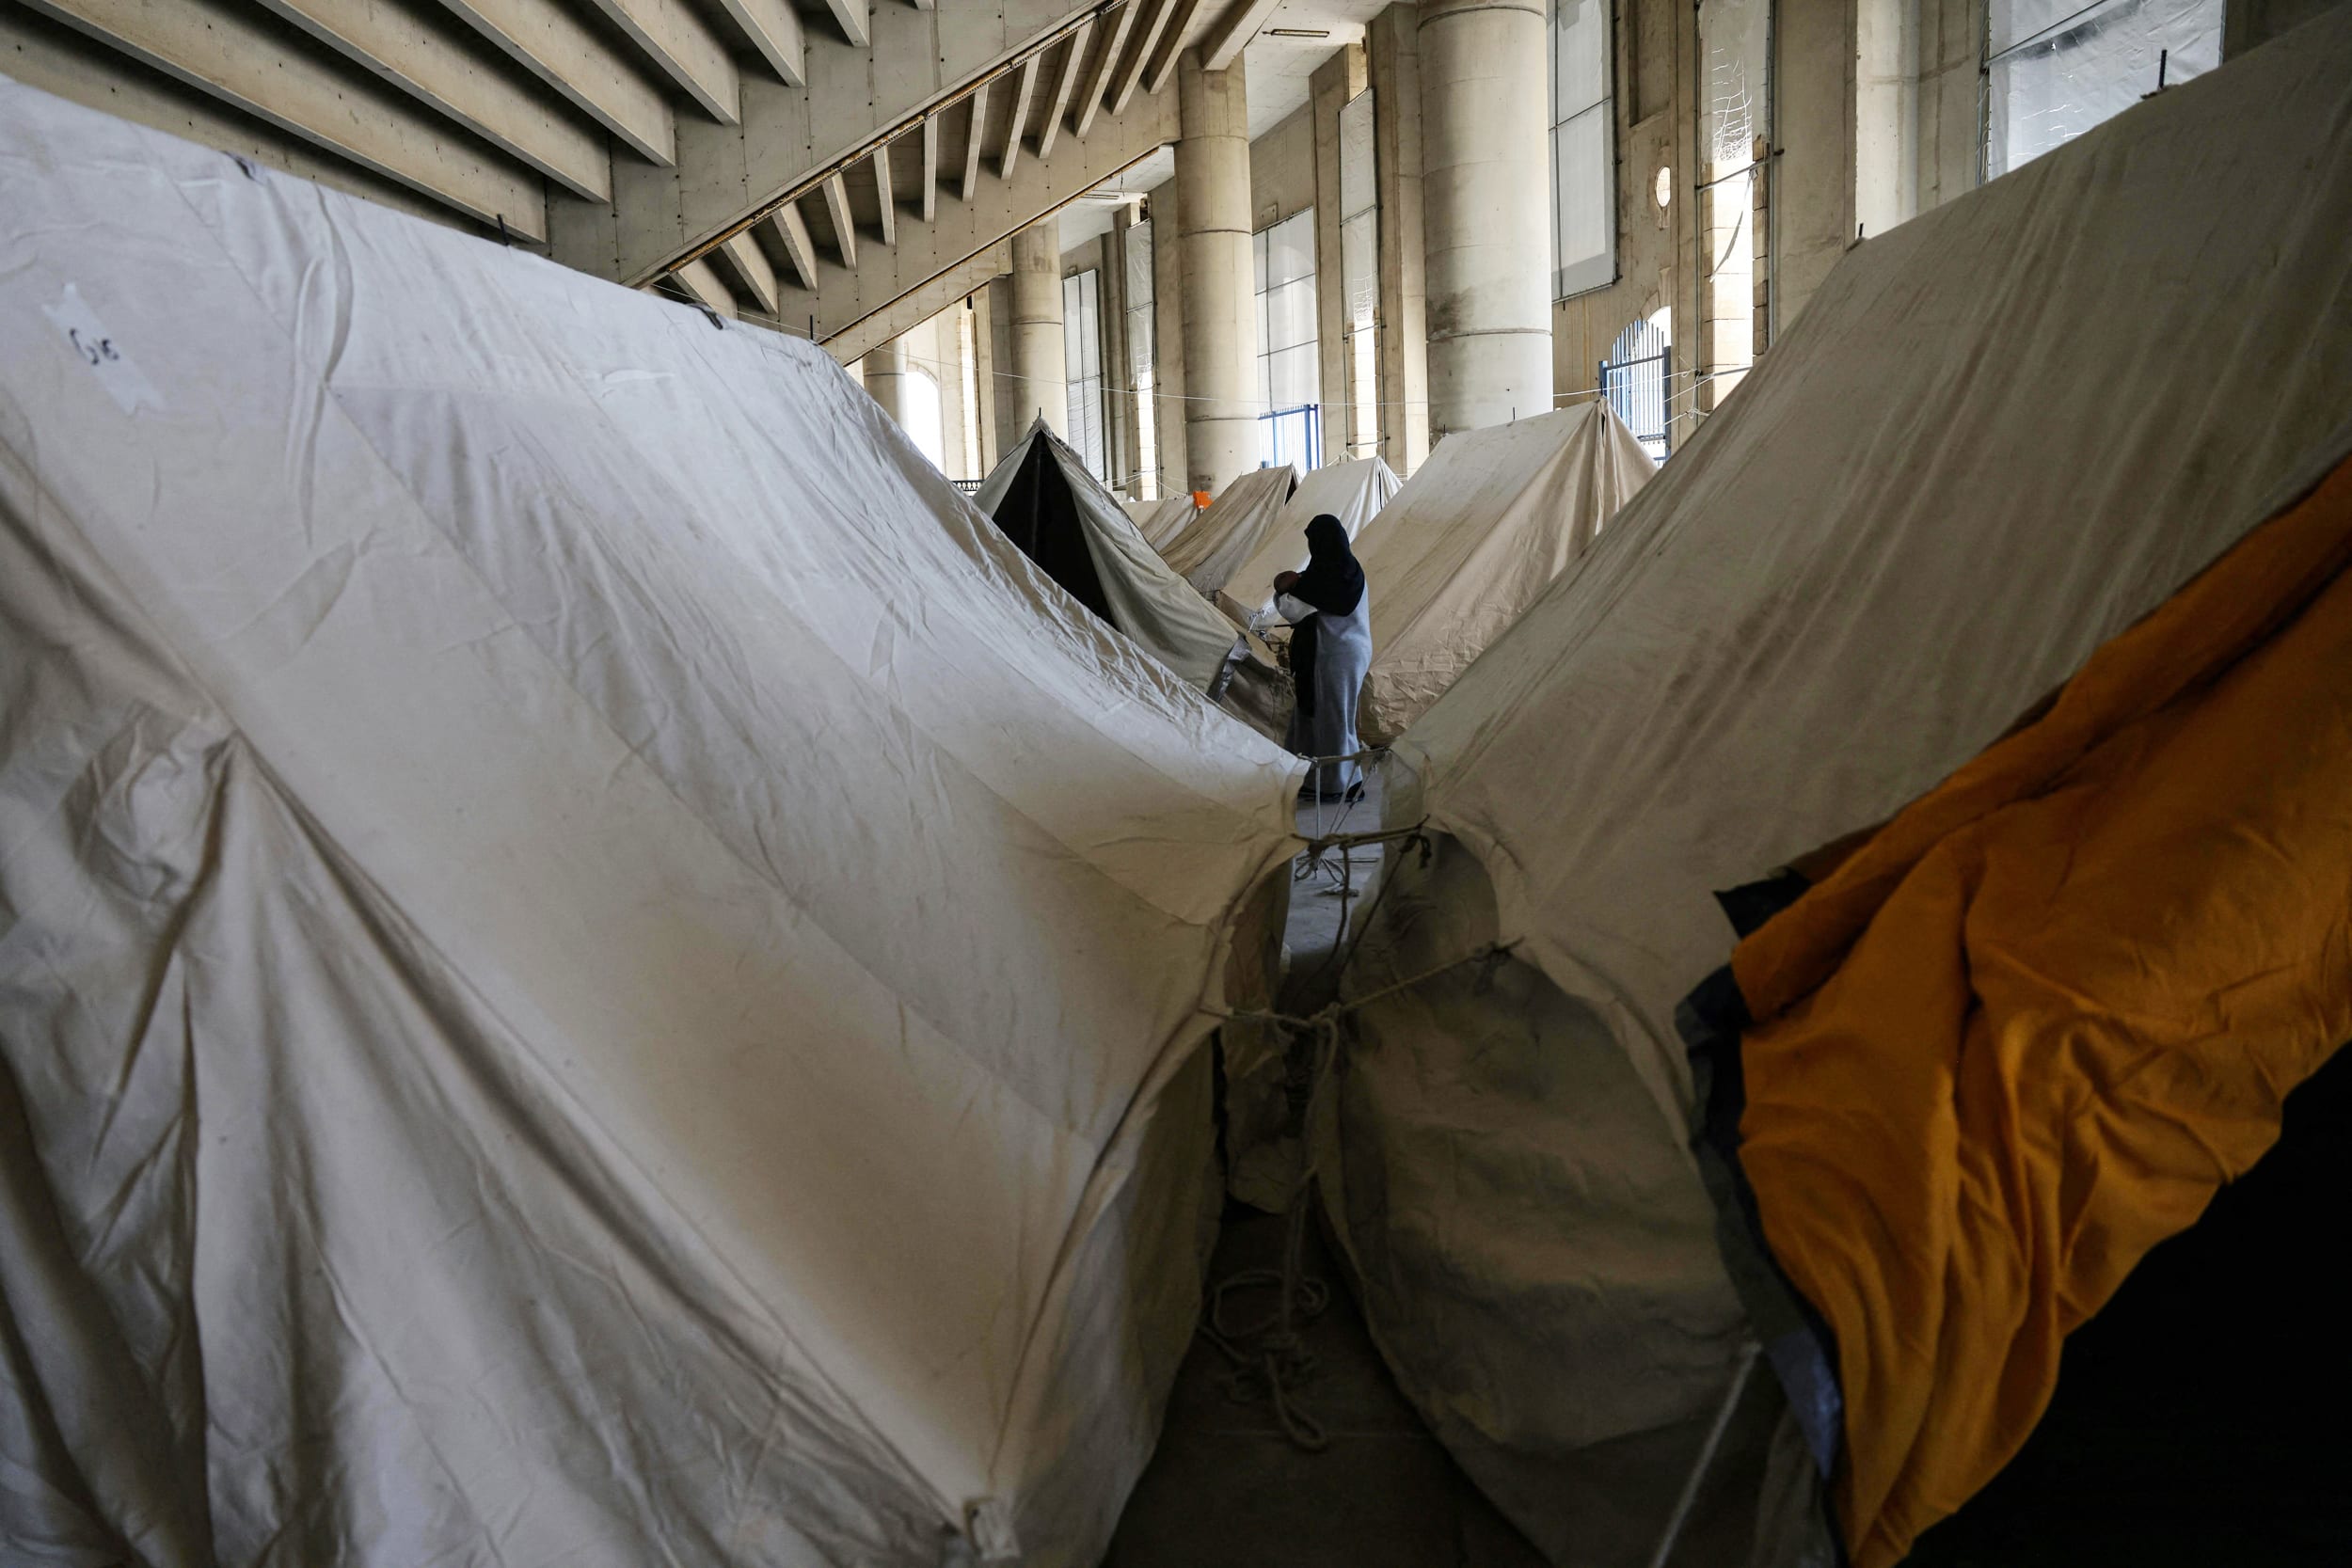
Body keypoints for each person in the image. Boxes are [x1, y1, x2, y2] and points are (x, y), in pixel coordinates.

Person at [1273, 513, 1372, 806]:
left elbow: (1292, 611)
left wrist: (1281, 587)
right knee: (1320, 717)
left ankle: (1339, 784)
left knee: (1332, 720)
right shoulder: (1351, 572)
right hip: (1350, 652)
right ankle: (1313, 778)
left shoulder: (1319, 579)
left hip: (1333, 655)